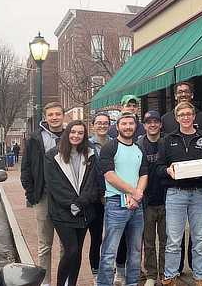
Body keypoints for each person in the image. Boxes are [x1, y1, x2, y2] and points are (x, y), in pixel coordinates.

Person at [156, 101, 202, 286]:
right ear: (176, 118)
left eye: (189, 114)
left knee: (199, 238)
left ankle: (200, 275)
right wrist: (168, 171)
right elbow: (158, 168)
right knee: (173, 239)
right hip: (176, 194)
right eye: (182, 115)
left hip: (199, 194)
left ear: (194, 116)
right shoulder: (168, 140)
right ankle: (170, 275)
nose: (186, 118)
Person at [97, 112, 148, 286]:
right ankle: (105, 283)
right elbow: (109, 176)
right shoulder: (110, 147)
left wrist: (137, 194)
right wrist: (133, 192)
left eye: (131, 124)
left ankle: (132, 282)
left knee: (135, 250)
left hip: (136, 204)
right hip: (115, 203)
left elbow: (144, 174)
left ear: (135, 126)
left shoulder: (140, 148)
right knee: (110, 249)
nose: (128, 127)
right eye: (124, 124)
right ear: (117, 126)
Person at [44, 120, 97, 286]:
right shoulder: (52, 156)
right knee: (71, 250)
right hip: (62, 212)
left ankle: (72, 283)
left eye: (80, 133)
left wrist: (81, 203)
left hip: (84, 212)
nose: (76, 136)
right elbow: (55, 185)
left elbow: (91, 184)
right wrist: (72, 204)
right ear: (67, 134)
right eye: (73, 132)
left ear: (84, 135)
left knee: (78, 252)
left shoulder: (90, 154)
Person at [21, 102, 66, 286]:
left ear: (63, 116)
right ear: (45, 117)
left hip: (65, 199)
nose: (54, 117)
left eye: (58, 114)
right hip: (43, 197)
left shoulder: (72, 135)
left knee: (66, 245)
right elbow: (27, 168)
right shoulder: (35, 138)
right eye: (51, 115)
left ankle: (64, 281)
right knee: (44, 244)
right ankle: (45, 282)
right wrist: (31, 194)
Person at [137, 111, 167, 286]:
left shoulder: (167, 142)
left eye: (156, 121)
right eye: (149, 122)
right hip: (147, 201)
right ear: (144, 125)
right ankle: (151, 274)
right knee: (149, 242)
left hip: (166, 199)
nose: (153, 125)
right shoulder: (139, 145)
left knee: (166, 242)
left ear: (160, 125)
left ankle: (164, 273)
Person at [89, 112, 111, 284]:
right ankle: (96, 274)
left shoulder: (115, 143)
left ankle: (116, 270)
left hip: (114, 197)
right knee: (96, 237)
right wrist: (99, 193)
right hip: (95, 200)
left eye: (105, 123)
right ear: (93, 125)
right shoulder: (86, 145)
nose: (102, 126)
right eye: (99, 123)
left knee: (114, 236)